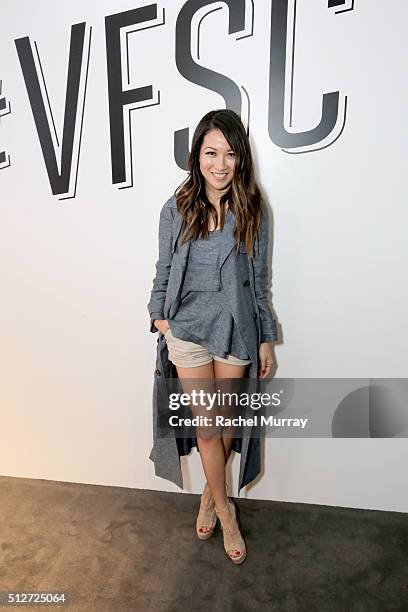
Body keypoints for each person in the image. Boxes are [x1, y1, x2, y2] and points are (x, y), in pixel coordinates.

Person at [148, 109, 278, 565]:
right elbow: (164, 269)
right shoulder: (176, 207)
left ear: (240, 159)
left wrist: (263, 336)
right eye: (210, 152)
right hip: (187, 329)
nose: (219, 164)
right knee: (207, 427)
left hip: (236, 328)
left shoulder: (253, 209)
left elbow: (260, 281)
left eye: (229, 154)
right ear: (197, 155)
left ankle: (209, 489)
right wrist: (159, 316)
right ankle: (224, 509)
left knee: (224, 426)